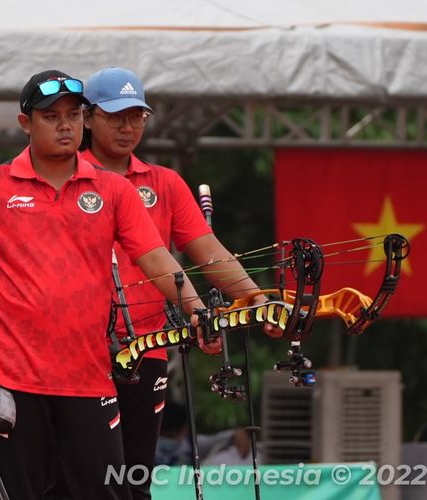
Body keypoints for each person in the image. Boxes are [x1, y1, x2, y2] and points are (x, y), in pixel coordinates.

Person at [0, 69, 206, 500]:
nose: (65, 125)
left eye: (74, 114)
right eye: (51, 116)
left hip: (88, 378)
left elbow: (155, 257)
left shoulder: (112, 190)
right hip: (12, 377)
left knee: (110, 492)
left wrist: (194, 306)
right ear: (25, 123)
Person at [77, 67, 275, 499]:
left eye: (137, 116)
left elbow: (209, 251)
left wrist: (256, 299)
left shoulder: (164, 183)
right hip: (77, 353)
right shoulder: (68, 178)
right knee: (85, 482)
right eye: (115, 116)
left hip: (146, 348)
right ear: (87, 118)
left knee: (133, 482)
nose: (128, 127)